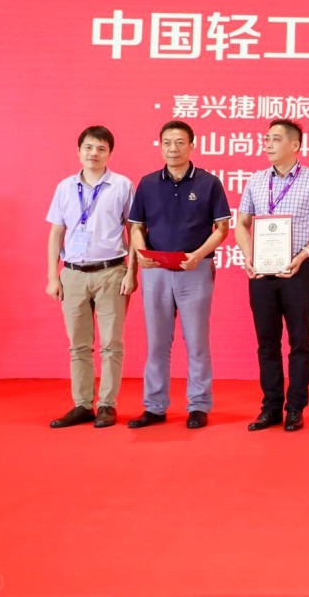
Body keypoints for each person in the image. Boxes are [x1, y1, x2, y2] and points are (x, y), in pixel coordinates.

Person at [235, 119, 309, 433]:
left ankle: (295, 408)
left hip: (298, 270)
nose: (268, 144)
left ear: (295, 145)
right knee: (266, 343)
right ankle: (270, 408)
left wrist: (303, 255)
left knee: (299, 342)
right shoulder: (255, 180)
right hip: (262, 272)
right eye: (266, 138)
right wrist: (249, 256)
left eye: (276, 139)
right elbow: (241, 225)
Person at [127, 120, 231, 430]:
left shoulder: (209, 183)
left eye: (180, 142)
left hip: (194, 270)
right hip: (156, 272)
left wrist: (198, 255)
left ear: (191, 146)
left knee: (197, 342)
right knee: (157, 343)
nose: (173, 148)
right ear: (160, 146)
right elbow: (136, 226)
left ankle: (198, 405)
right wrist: (141, 253)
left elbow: (222, 228)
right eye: (167, 143)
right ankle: (154, 407)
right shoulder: (147, 183)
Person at [45, 126, 136, 428]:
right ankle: (82, 404)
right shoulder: (64, 187)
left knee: (112, 344)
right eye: (88, 147)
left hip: (112, 272)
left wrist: (132, 272)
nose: (93, 153)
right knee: (78, 345)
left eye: (100, 148)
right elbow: (56, 232)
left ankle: (107, 404)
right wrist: (53, 276)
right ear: (78, 151)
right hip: (72, 274)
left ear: (109, 153)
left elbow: (134, 231)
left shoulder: (122, 185)